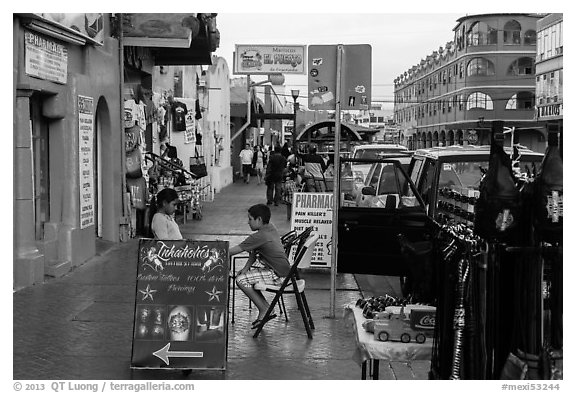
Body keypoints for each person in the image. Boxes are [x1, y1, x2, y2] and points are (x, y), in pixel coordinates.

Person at [229, 204, 290, 329]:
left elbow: (230, 251)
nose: (248, 222)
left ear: (259, 220)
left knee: (241, 280)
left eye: (250, 219)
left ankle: (265, 310)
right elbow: (254, 252)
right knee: (246, 277)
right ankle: (266, 309)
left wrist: (213, 250)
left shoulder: (260, 236)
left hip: (278, 275)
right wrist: (245, 268)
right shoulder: (270, 228)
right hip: (282, 271)